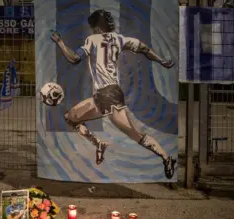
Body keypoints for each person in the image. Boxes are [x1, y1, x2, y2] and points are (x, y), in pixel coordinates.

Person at [50, 9, 177, 179]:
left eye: (93, 27)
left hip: (108, 96)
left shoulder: (92, 40)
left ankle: (166, 157)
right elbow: (144, 49)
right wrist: (161, 60)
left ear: (97, 28)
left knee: (136, 135)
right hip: (105, 96)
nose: (92, 30)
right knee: (71, 117)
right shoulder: (120, 39)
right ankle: (99, 144)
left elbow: (73, 58)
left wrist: (60, 42)